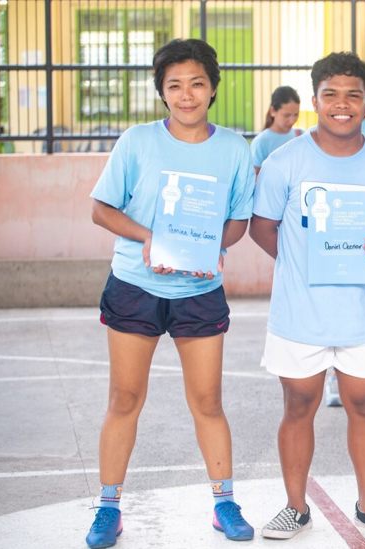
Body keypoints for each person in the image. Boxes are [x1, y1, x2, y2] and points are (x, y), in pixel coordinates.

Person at [85, 38, 256, 548]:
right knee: (124, 398)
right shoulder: (137, 141)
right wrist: (150, 239)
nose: (186, 95)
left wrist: (209, 250)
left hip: (198, 290)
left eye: (196, 84)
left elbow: (237, 221)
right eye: (175, 85)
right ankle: (108, 507)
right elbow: (102, 209)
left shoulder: (233, 148)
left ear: (213, 89)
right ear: (162, 92)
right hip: (136, 286)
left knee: (208, 400)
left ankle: (224, 502)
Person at [250, 51, 365, 540]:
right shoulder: (285, 161)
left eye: (353, 95)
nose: (342, 104)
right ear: (315, 100)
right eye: (331, 95)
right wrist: (303, 262)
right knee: (298, 406)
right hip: (299, 313)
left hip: (361, 312)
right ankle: (295, 507)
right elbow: (262, 227)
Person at [250, 85, 301, 175]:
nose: (292, 120)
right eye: (287, 115)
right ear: (273, 111)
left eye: (296, 114)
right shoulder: (261, 142)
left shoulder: (301, 135)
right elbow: (255, 179)